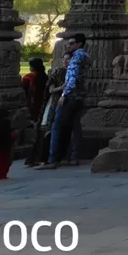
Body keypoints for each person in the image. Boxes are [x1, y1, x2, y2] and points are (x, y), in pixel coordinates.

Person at [41, 34, 91, 168]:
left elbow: (72, 78)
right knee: (75, 126)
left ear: (79, 44)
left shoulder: (76, 57)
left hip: (71, 95)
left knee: (56, 126)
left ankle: (52, 159)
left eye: (71, 43)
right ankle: (74, 156)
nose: (69, 46)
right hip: (81, 96)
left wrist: (64, 94)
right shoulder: (86, 56)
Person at [22, 57, 48, 126]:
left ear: (32, 67)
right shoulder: (46, 77)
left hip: (32, 102)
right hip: (43, 102)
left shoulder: (28, 77)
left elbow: (24, 90)